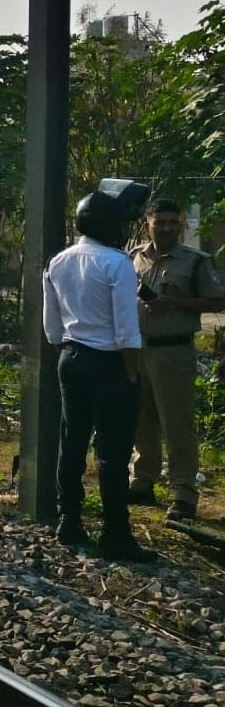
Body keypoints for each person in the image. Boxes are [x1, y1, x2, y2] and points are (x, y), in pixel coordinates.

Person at [44, 186, 155, 562]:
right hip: (110, 363)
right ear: (109, 226)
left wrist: (72, 352)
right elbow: (126, 330)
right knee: (113, 451)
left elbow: (52, 329)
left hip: (71, 358)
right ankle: (115, 533)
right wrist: (132, 373)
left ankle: (69, 521)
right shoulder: (117, 263)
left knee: (71, 442)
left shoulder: (58, 261)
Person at [129, 199, 225, 521]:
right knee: (143, 417)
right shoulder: (135, 258)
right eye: (161, 222)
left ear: (180, 225)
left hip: (174, 351)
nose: (167, 228)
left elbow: (217, 300)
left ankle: (184, 492)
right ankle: (143, 480)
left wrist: (177, 304)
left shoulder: (196, 261)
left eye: (173, 222)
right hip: (139, 349)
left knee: (177, 422)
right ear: (148, 224)